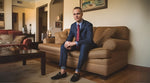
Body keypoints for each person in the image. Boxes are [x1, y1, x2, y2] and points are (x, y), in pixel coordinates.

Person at [51, 7, 96, 82]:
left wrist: (75, 43)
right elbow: (69, 37)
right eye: (74, 14)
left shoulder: (88, 25)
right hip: (78, 44)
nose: (76, 16)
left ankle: (77, 72)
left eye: (78, 13)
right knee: (63, 46)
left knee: (84, 46)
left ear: (82, 14)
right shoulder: (73, 26)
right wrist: (67, 43)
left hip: (87, 44)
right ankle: (63, 71)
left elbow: (89, 39)